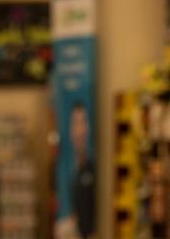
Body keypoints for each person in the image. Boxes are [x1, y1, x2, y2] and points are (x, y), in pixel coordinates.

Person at [68, 101, 96, 238]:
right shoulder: (66, 163)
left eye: (83, 122)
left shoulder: (93, 164)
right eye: (75, 123)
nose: (80, 131)